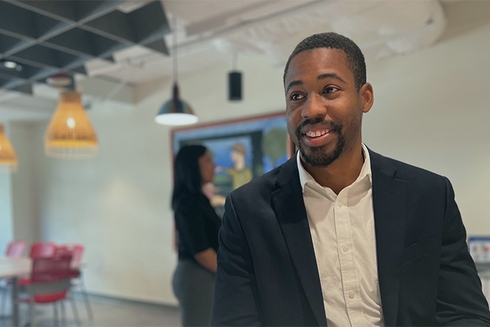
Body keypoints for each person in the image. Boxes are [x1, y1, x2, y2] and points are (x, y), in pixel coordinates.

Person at [212, 32, 490, 326]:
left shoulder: (430, 195)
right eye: (297, 96)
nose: (311, 109)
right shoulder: (247, 211)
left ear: (365, 97)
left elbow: (464, 312)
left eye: (329, 89)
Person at [171, 145, 221, 326]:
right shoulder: (188, 202)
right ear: (193, 166)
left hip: (204, 276)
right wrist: (229, 274)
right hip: (197, 277)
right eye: (207, 160)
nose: (213, 166)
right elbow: (201, 251)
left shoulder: (199, 200)